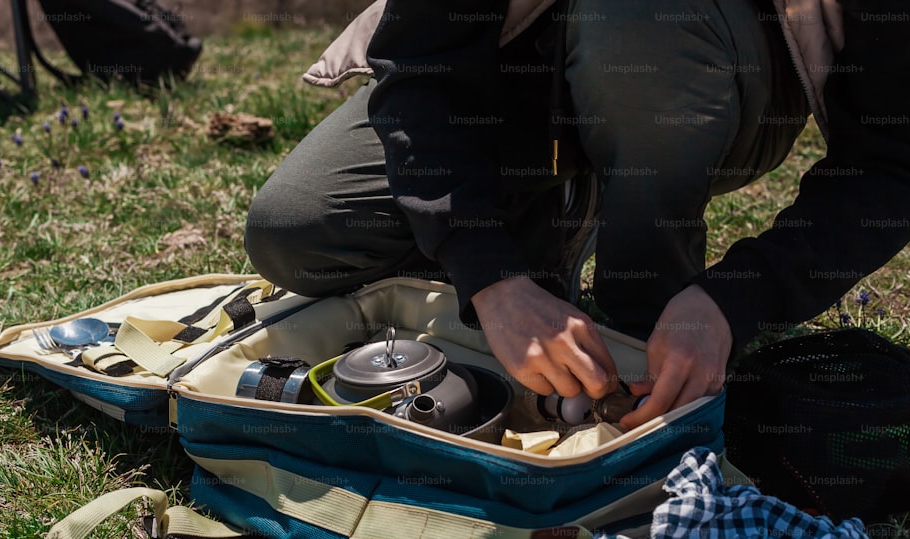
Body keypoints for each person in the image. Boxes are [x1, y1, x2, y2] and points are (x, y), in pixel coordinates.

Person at [244, 0, 910, 429]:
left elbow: (893, 160)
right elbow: (421, 67)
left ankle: (644, 340)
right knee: (299, 225)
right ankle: (549, 225)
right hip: (520, 76)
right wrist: (491, 277)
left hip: (705, 66)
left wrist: (735, 299)